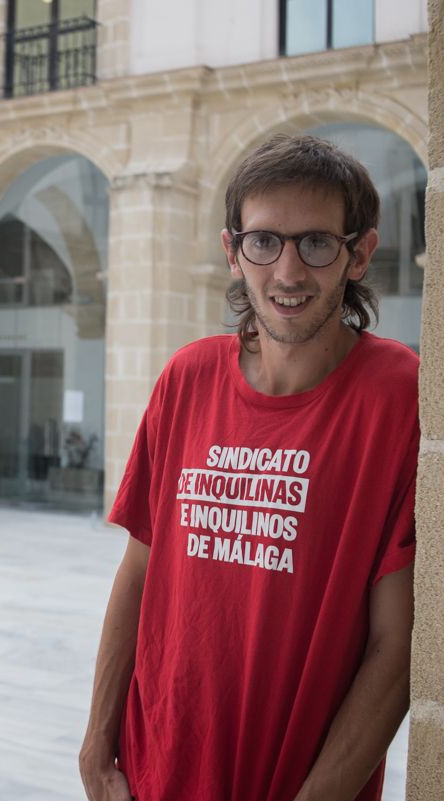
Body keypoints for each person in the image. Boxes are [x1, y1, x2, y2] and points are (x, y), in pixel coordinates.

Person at [79, 135, 418, 801]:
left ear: (360, 253)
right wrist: (97, 740)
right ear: (234, 251)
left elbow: (396, 645)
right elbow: (139, 570)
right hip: (155, 769)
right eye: (264, 242)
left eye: (316, 243)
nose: (288, 271)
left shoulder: (398, 394)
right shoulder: (187, 375)